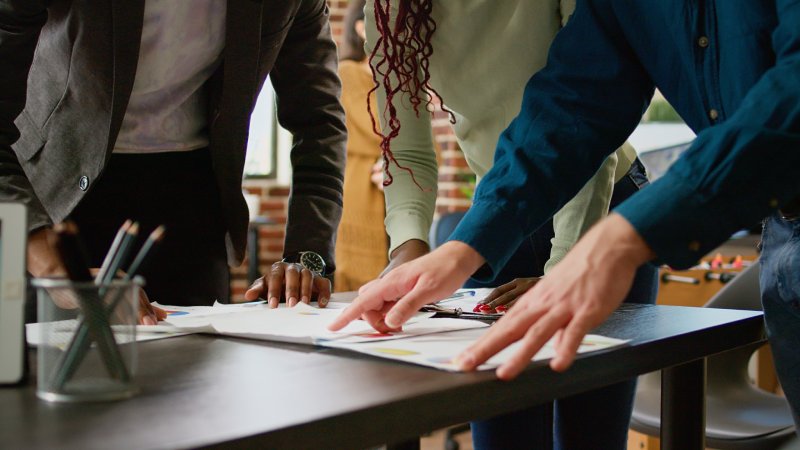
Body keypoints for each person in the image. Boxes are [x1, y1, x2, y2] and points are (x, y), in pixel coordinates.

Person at [332, 0, 800, 432]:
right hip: (783, 230)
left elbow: (790, 91)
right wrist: (463, 247)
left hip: (628, 210)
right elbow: (576, 105)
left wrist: (615, 239)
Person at [357, 0, 657, 448]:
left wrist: (562, 273)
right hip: (499, 222)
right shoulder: (388, 10)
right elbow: (408, 151)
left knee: (588, 438)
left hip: (604, 211)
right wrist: (408, 249)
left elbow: (586, 117)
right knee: (502, 437)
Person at [0, 0, 346, 324]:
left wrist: (306, 255)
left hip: (193, 200)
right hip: (51, 200)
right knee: (51, 374)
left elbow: (319, 123)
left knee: (193, 376)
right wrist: (49, 265)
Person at [334, 0, 389, 292]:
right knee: (357, 285)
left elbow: (428, 147)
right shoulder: (348, 73)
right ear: (360, 27)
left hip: (395, 194)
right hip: (357, 190)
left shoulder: (395, 80)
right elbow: (378, 127)